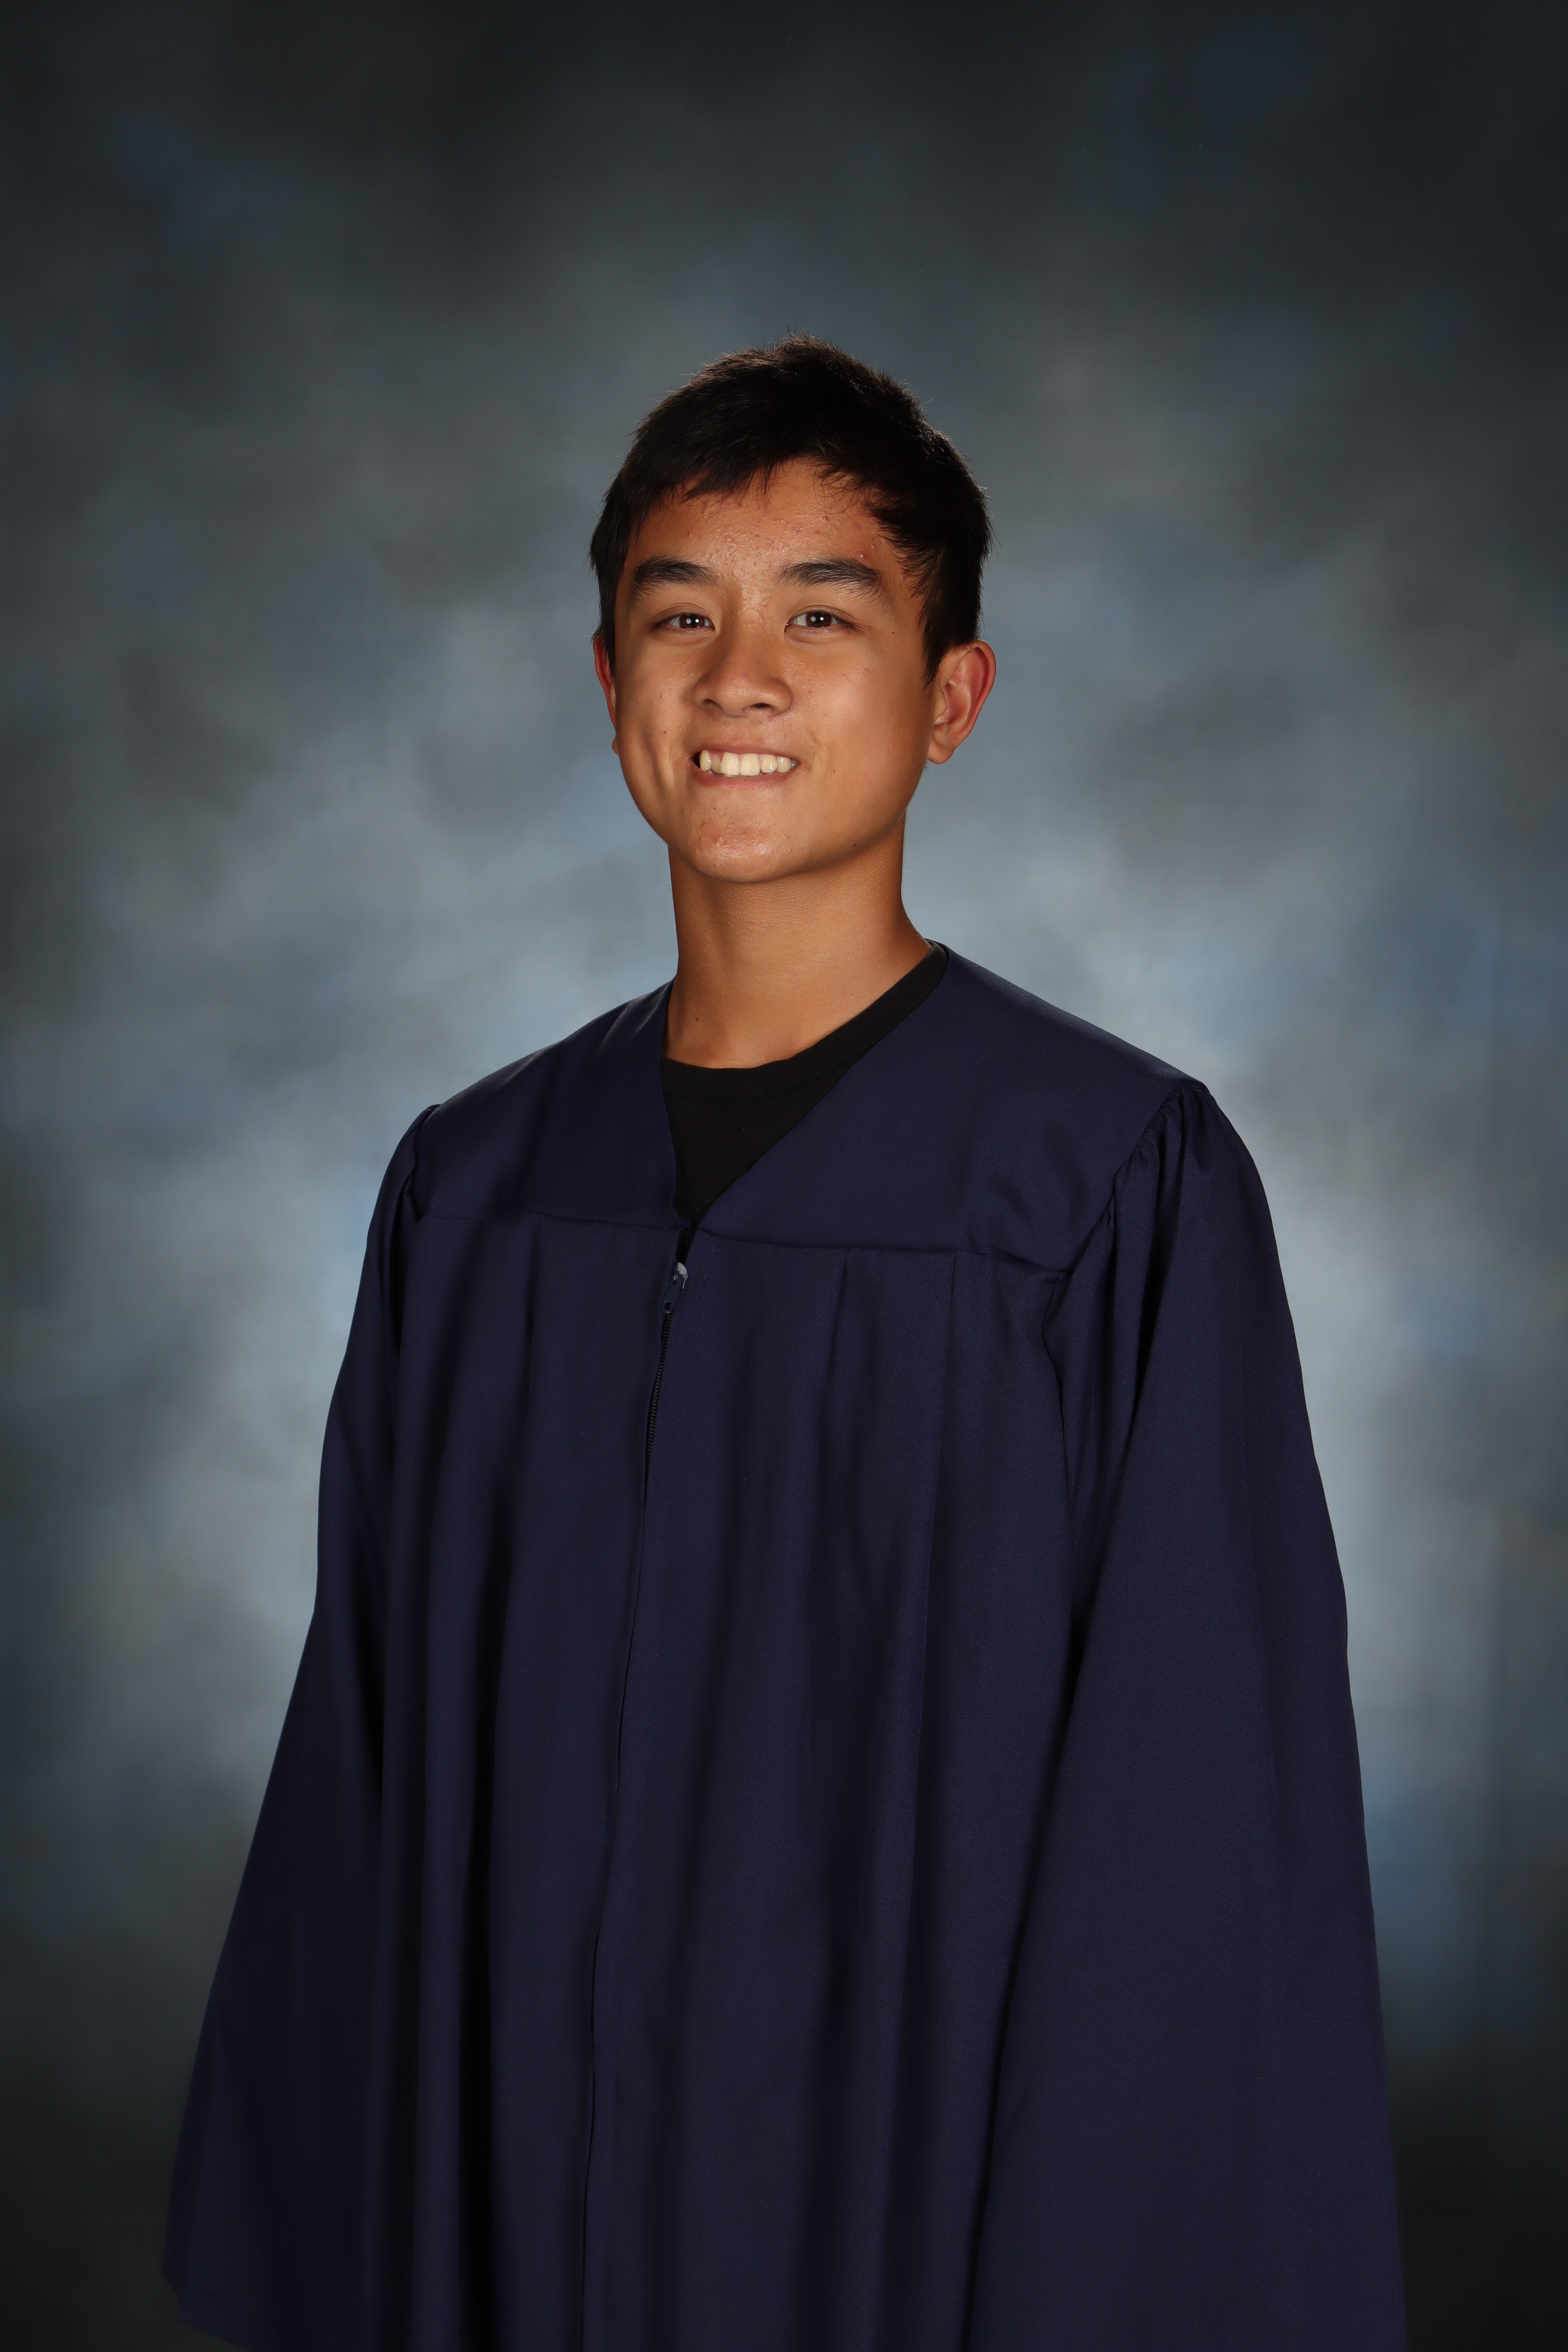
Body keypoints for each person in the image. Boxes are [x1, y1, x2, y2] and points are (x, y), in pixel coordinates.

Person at [166, 337, 1407, 2351]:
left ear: (950, 698)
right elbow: (361, 1797)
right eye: (681, 617)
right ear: (608, 685)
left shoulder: (1106, 1191)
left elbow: (1188, 1844)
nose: (737, 677)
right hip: (510, 2222)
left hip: (906, 2231)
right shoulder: (475, 1196)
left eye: (821, 617)